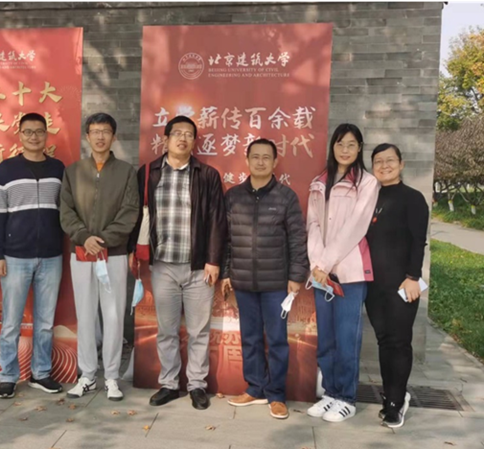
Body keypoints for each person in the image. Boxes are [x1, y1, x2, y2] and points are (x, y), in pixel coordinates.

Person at [128, 116, 227, 411]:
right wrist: (134, 250)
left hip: (199, 266)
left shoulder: (207, 175)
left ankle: (197, 385)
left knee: (199, 331)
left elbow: (217, 220)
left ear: (194, 141)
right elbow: (137, 214)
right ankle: (169, 384)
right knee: (167, 329)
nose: (183, 138)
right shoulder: (149, 172)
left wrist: (213, 260)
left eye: (189, 134)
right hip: (163, 265)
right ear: (166, 139)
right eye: (177, 133)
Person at [220, 138, 309, 420]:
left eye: (266, 157)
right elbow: (226, 239)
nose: (260, 162)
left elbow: (297, 238)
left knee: (277, 340)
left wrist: (296, 275)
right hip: (243, 282)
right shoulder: (233, 196)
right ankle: (255, 388)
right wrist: (225, 273)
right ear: (247, 161)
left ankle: (277, 394)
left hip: (276, 285)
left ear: (275, 162)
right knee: (250, 338)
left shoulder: (286, 197)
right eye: (255, 157)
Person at [60, 113, 139, 401]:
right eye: (95, 131)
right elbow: (65, 211)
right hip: (81, 253)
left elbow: (130, 211)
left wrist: (102, 240)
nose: (100, 136)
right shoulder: (73, 171)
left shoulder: (126, 172)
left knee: (114, 314)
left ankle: (112, 376)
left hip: (112, 254)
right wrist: (84, 237)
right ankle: (88, 375)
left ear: (114, 137)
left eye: (106, 131)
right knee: (85, 313)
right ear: (87, 136)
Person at [306, 123, 380, 422]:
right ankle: (330, 393)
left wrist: (324, 264)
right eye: (340, 143)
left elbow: (355, 227)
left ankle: (347, 398)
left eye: (351, 144)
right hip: (321, 274)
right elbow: (312, 225)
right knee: (326, 338)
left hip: (350, 273)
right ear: (332, 146)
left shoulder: (367, 182)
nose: (345, 149)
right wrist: (316, 264)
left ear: (359, 148)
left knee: (347, 337)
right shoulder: (318, 182)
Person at [0, 113, 66, 399]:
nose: (34, 137)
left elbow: (66, 210)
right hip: (14, 257)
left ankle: (41, 373)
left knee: (45, 322)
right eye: (28, 132)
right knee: (11, 321)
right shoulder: (6, 169)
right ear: (19, 135)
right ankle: (8, 376)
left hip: (51, 256)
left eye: (39, 131)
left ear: (47, 135)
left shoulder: (58, 168)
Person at [366, 144, 429, 428]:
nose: (384, 165)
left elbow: (418, 241)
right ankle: (390, 396)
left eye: (390, 160)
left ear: (401, 164)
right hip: (373, 285)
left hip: (403, 283)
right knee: (384, 340)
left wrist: (413, 277)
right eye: (378, 161)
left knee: (400, 341)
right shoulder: (370, 197)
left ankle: (396, 401)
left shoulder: (412, 198)